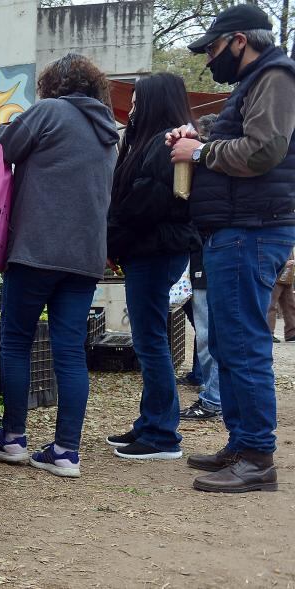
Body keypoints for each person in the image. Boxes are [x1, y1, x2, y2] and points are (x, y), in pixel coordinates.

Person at [0, 54, 119, 478]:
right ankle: (66, 452)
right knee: (70, 350)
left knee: (15, 341)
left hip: (37, 251)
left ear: (54, 84)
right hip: (86, 259)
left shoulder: (50, 111)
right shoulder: (109, 131)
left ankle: (13, 439)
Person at [168, 3, 295, 493]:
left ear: (240, 40)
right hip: (235, 230)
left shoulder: (276, 77)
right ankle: (242, 443)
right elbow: (246, 141)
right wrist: (199, 138)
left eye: (213, 49)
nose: (207, 61)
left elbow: (265, 150)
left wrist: (200, 152)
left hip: (251, 230)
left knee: (243, 346)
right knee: (227, 342)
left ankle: (258, 457)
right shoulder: (255, 82)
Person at [104, 73, 202, 460]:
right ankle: (151, 423)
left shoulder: (167, 144)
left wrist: (110, 237)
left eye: (137, 100)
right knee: (150, 341)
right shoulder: (158, 142)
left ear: (155, 101)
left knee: (150, 342)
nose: (132, 108)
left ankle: (162, 434)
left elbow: (143, 205)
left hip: (154, 251)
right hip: (150, 250)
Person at [179, 113, 223, 421]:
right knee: (210, 333)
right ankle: (214, 394)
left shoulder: (206, 170)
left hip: (205, 261)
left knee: (208, 335)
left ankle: (212, 399)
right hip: (208, 260)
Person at [267, 249, 295, 342]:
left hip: (288, 277)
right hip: (276, 276)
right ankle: (268, 333)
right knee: (271, 306)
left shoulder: (290, 242)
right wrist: (284, 264)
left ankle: (291, 333)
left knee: (290, 305)